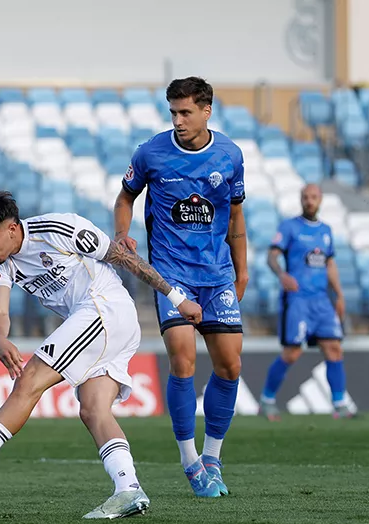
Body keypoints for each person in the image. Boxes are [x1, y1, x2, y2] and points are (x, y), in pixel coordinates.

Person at [0, 187, 203, 518]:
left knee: (29, 381)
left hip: (104, 309)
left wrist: (177, 299)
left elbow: (124, 258)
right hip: (102, 325)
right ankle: (128, 489)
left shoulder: (59, 229)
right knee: (93, 410)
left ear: (12, 228)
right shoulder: (2, 263)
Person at [113, 77, 247, 498]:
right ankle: (190, 460)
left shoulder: (230, 155)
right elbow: (125, 198)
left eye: (185, 112)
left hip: (218, 274)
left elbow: (236, 219)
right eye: (173, 112)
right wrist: (123, 233)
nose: (178, 120)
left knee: (230, 367)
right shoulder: (151, 153)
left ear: (207, 111)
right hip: (172, 276)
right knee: (184, 360)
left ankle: (213, 456)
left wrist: (241, 273)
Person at [260, 183, 352, 419]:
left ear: (320, 200)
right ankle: (267, 399)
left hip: (321, 300)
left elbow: (329, 264)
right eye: (305, 197)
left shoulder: (326, 231)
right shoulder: (290, 227)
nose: (309, 201)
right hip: (298, 299)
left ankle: (340, 404)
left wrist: (339, 294)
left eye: (313, 197)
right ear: (301, 200)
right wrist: (282, 274)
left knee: (334, 348)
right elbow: (272, 255)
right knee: (292, 352)